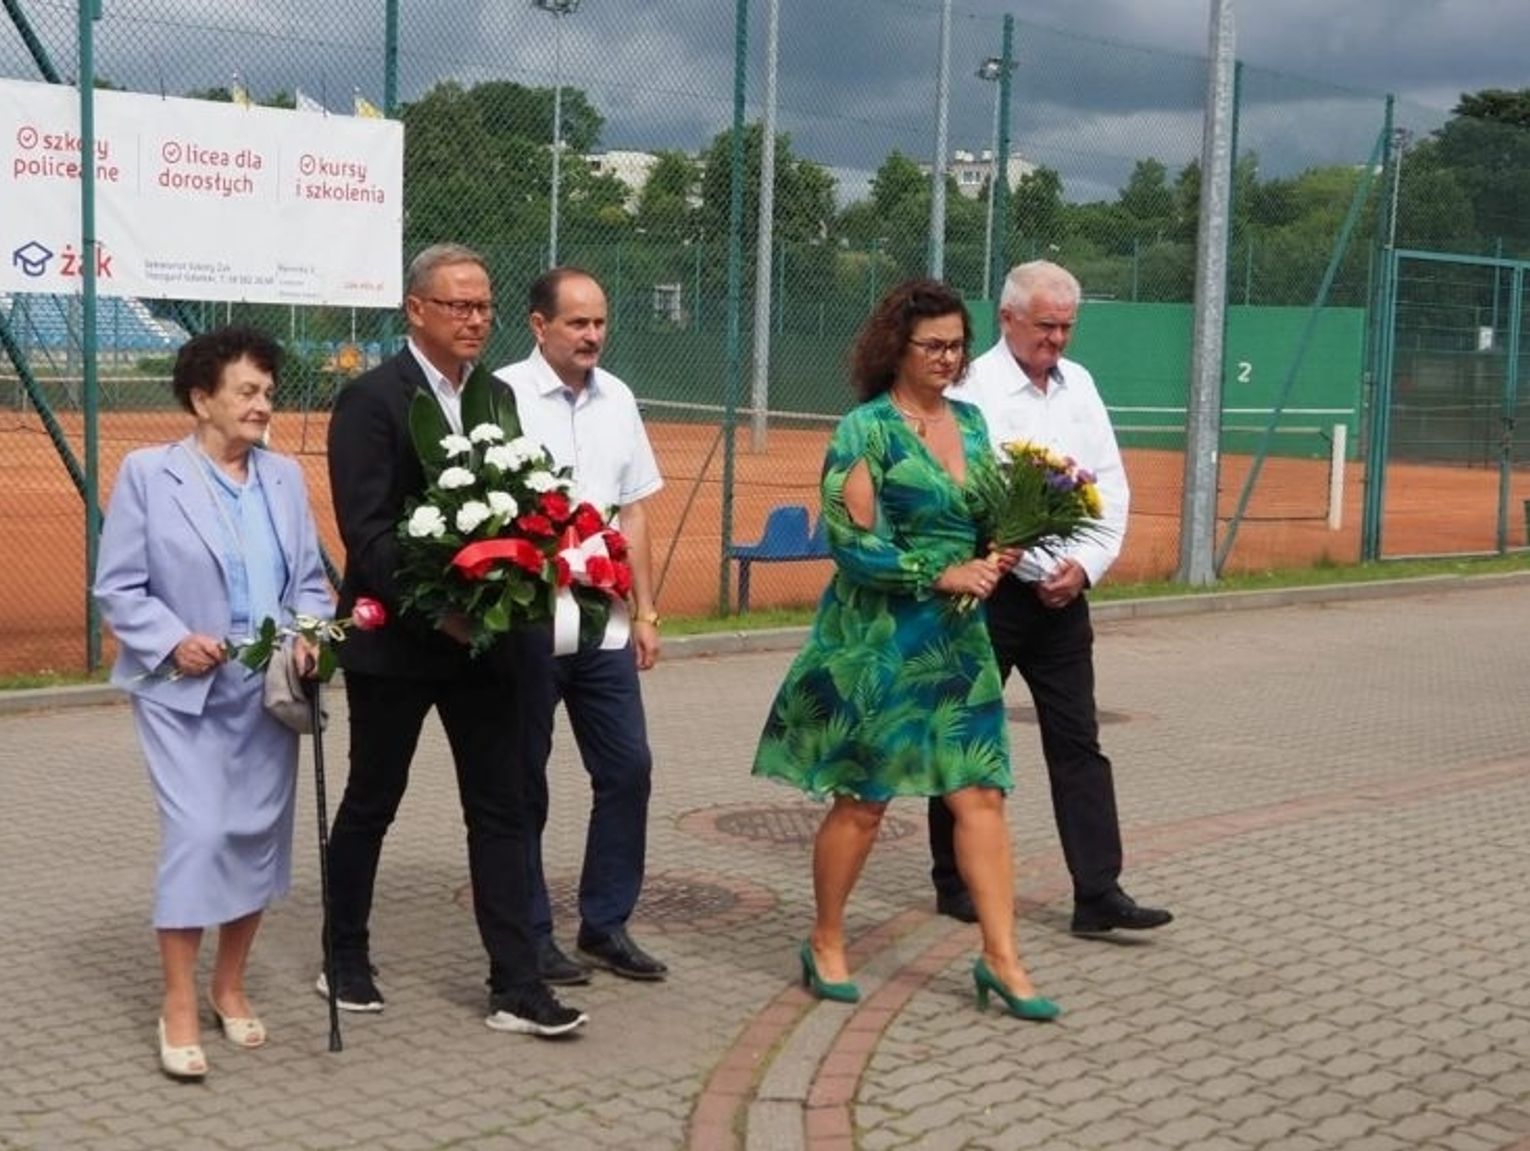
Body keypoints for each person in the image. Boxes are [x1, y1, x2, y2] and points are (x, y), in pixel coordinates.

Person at [752, 279, 1058, 1021]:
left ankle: (1002, 958)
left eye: (957, 344)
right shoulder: (866, 430)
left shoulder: (976, 425)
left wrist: (1003, 548)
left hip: (957, 643)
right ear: (898, 347)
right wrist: (938, 570)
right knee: (862, 800)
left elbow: (986, 514)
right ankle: (825, 939)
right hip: (881, 641)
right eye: (933, 345)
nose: (948, 358)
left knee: (981, 794)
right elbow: (852, 544)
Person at [323, 243, 585, 1037]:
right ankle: (344, 955)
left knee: (503, 804)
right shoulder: (371, 400)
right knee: (373, 797)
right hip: (397, 643)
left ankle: (516, 984)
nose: (475, 319)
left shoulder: (498, 396)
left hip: (487, 644)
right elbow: (366, 533)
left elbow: (521, 501)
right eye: (457, 305)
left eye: (483, 306)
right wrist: (436, 606)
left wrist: (519, 579)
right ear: (416, 310)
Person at [95, 326, 334, 1081]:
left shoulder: (285, 477)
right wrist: (170, 639)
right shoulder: (147, 472)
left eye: (268, 391)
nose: (263, 404)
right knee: (199, 832)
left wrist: (307, 634)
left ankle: (230, 983)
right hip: (182, 690)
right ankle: (178, 1002)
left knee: (255, 836)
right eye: (247, 391)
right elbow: (118, 587)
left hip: (266, 690)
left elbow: (310, 580)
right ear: (202, 399)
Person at [929, 260, 1174, 936]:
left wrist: (1085, 565)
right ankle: (954, 881)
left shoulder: (1081, 387)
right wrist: (1012, 559)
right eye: (1046, 326)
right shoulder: (970, 389)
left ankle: (1098, 893)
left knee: (1079, 743)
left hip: (1064, 599)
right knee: (964, 732)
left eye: (1067, 327)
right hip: (993, 593)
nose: (1057, 339)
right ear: (1008, 318)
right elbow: (964, 493)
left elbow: (1108, 484)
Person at [494, 267, 668, 986]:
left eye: (599, 322)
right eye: (577, 323)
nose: (593, 335)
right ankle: (529, 933)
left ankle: (606, 922)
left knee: (628, 767)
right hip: (527, 618)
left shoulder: (619, 397)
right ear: (540, 325)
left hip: (605, 620)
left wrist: (649, 610)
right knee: (520, 780)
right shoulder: (498, 393)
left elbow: (634, 508)